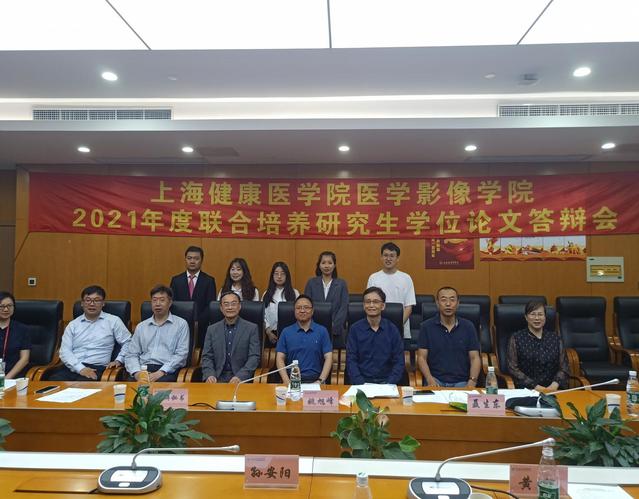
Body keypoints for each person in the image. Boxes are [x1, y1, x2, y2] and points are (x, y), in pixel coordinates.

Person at [48, 285, 130, 381]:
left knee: (83, 387)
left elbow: (128, 342)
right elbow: (65, 351)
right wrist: (81, 369)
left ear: (103, 303)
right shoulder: (73, 325)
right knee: (52, 383)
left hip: (97, 369)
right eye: (88, 300)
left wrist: (119, 360)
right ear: (82, 303)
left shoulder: (113, 321)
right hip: (72, 367)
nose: (92, 304)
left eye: (97, 300)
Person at [417, 286, 481, 387]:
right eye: (443, 300)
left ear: (458, 303)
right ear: (437, 303)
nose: (448, 304)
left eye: (452, 300)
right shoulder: (426, 327)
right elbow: (421, 357)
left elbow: (474, 358)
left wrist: (472, 381)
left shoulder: (468, 326)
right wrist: (429, 379)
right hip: (436, 380)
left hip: (462, 382)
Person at [124, 285, 190, 382]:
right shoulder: (141, 326)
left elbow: (181, 355)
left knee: (159, 389)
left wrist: (161, 372)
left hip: (167, 371)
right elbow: (131, 354)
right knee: (129, 389)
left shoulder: (181, 324)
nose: (157, 304)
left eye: (162, 300)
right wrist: (137, 373)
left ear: (170, 303)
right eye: (154, 300)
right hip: (143, 369)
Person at [346, 287, 404, 385]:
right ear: (363, 305)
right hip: (362, 382)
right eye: (368, 302)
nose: (371, 305)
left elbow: (399, 361)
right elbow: (351, 360)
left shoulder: (392, 330)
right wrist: (360, 383)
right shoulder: (355, 329)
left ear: (383, 306)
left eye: (376, 302)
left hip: (387, 382)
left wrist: (389, 383)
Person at [507, 301, 570, 392]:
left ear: (545, 317)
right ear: (526, 317)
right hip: (527, 390)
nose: (537, 318)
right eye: (533, 314)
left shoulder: (555, 339)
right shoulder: (516, 338)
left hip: (554, 390)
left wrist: (554, 386)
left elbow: (564, 368)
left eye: (540, 314)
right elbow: (513, 369)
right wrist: (536, 386)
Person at [201, 291, 260, 383]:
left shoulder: (251, 328)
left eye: (233, 304)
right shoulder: (212, 329)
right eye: (226, 304)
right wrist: (210, 374)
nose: (230, 307)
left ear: (239, 306)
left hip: (241, 380)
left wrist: (240, 376)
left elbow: (254, 357)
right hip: (217, 378)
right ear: (221, 308)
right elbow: (207, 356)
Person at [276, 295, 332, 384]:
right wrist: (287, 381)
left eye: (306, 307)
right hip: (292, 381)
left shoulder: (322, 331)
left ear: (312, 311)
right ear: (294, 311)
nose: (302, 310)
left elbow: (328, 357)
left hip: (316, 381)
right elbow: (280, 358)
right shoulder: (286, 332)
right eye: (298, 308)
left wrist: (320, 381)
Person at [366, 242, 416, 339]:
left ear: (397, 258)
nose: (388, 259)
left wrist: (396, 326)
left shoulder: (406, 278)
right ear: (381, 257)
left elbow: (408, 307)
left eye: (392, 256)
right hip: (377, 327)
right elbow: (369, 303)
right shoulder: (374, 278)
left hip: (400, 328)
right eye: (385, 255)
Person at [304, 251, 349, 348]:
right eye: (323, 262)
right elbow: (306, 306)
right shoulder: (311, 283)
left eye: (330, 263)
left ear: (334, 265)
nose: (326, 266)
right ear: (319, 265)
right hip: (313, 329)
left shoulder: (341, 284)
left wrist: (334, 326)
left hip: (336, 331)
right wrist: (314, 326)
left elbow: (344, 307)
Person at [170, 246, 216, 327]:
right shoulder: (176, 280)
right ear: (185, 259)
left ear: (202, 260)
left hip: (201, 325)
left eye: (196, 258)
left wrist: (198, 321)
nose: (192, 261)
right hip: (179, 324)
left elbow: (210, 305)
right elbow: (172, 303)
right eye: (189, 258)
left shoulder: (209, 281)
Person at [263, 262, 299, 346]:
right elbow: (262, 315)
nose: (279, 276)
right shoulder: (266, 294)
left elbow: (299, 313)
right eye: (276, 273)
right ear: (272, 276)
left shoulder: (294, 293)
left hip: (291, 333)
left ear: (287, 276)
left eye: (282, 274)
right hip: (271, 334)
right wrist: (268, 332)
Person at [0, 291, 31, 379]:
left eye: (9, 306)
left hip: (14, 376)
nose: (6, 309)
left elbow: (24, 359)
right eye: (2, 306)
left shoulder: (23, 329)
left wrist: (6, 379)